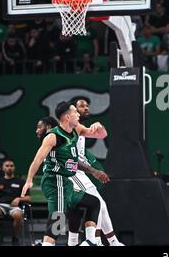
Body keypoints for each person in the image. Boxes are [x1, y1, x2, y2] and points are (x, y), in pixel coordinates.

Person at [21, 101, 110, 246]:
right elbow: (37, 160)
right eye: (75, 112)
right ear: (68, 117)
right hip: (55, 181)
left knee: (94, 202)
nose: (78, 114)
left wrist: (99, 126)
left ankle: (90, 242)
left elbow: (101, 135)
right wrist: (29, 180)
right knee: (58, 221)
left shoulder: (75, 131)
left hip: (66, 182)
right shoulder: (53, 137)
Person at [69, 97, 123, 246]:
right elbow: (69, 159)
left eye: (87, 105)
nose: (86, 108)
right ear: (73, 110)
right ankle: (97, 242)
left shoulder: (79, 127)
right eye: (82, 106)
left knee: (98, 205)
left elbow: (102, 135)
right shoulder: (71, 127)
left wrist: (99, 125)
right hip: (71, 173)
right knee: (97, 203)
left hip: (78, 172)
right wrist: (93, 171)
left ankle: (108, 242)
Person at [0, 159, 31, 246]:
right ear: (3, 168)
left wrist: (19, 199)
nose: (9, 168)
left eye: (11, 166)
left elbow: (29, 197)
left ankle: (15, 238)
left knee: (18, 215)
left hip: (14, 207)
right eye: (7, 166)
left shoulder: (21, 182)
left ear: (14, 168)